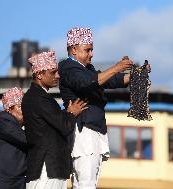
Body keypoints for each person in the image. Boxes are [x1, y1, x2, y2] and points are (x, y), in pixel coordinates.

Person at [58, 27, 151, 189]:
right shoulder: (68, 67)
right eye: (87, 50)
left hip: (94, 129)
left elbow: (110, 81)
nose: (91, 54)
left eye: (92, 49)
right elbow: (88, 82)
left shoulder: (88, 69)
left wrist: (137, 74)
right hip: (84, 131)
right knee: (85, 183)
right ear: (73, 50)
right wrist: (116, 67)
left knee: (89, 183)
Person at [21, 51, 87, 189]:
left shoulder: (33, 96)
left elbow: (51, 123)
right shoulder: (40, 98)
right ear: (39, 74)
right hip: (47, 168)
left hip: (44, 167)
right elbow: (65, 126)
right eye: (53, 72)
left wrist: (66, 113)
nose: (57, 76)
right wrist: (72, 113)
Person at [0, 87, 27, 189]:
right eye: (21, 106)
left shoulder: (18, 125)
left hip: (10, 183)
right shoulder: (4, 121)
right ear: (10, 108)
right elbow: (28, 139)